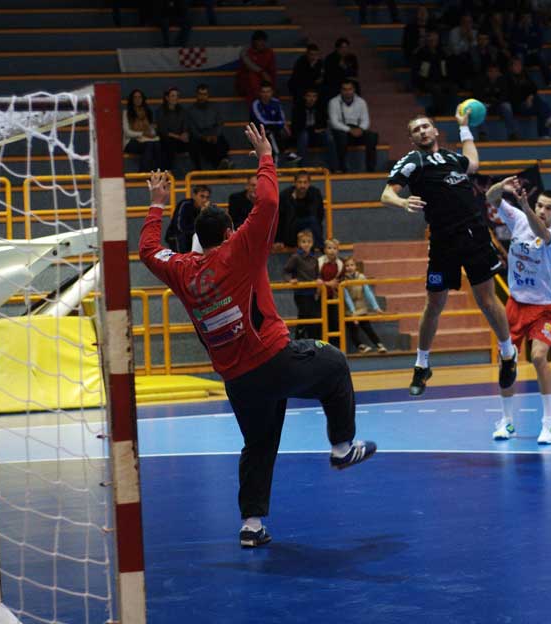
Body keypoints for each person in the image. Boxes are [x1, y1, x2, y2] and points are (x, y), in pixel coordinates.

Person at [139, 123, 377, 548]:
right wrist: (266, 156)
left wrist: (157, 204)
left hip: (237, 380)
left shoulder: (181, 271)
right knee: (335, 363)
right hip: (273, 359)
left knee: (259, 443)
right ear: (229, 232)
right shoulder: (240, 251)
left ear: (196, 240)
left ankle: (251, 524)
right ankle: (342, 446)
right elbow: (267, 201)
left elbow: (148, 250)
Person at [380, 110, 518, 396]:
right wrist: (403, 203)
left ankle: (508, 354)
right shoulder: (413, 161)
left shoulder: (453, 158)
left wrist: (464, 127)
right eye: (416, 129)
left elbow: (473, 162)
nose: (422, 131)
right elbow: (386, 194)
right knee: (434, 304)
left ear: (435, 131)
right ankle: (422, 365)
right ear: (412, 138)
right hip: (443, 241)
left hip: (474, 235)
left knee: (486, 299)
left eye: (426, 126)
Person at [485, 178, 551, 444]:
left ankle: (549, 423)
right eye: (540, 205)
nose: (543, 210)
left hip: (543, 308)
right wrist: (502, 185)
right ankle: (507, 421)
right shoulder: (518, 219)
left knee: (539, 357)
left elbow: (541, 233)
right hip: (515, 305)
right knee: (506, 362)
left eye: (549, 208)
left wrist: (524, 205)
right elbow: (491, 198)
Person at [328, 80, 378, 173]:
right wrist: (349, 130)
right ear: (341, 90)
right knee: (341, 137)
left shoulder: (361, 102)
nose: (347, 92)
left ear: (354, 90)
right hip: (342, 130)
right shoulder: (333, 102)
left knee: (372, 136)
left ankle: (371, 169)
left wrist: (361, 129)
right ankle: (342, 167)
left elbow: (366, 121)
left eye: (350, 89)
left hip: (358, 130)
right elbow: (334, 123)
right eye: (345, 89)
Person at [341, 256, 388, 354]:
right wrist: (353, 312)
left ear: (356, 266)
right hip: (349, 310)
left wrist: (376, 307)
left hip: (361, 307)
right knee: (353, 329)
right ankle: (360, 346)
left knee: (367, 328)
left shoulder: (361, 277)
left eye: (352, 265)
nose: (350, 267)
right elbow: (346, 297)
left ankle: (379, 345)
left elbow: (368, 293)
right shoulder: (343, 280)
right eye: (347, 266)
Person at [284, 230, 322, 340]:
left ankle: (314, 341)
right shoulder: (296, 257)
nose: (306, 244)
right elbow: (286, 271)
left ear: (312, 243)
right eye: (304, 242)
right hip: (301, 293)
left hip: (312, 293)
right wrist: (291, 280)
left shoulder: (314, 258)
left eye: (309, 242)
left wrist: (319, 279)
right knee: (304, 317)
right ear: (299, 243)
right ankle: (298, 340)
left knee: (314, 318)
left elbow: (317, 273)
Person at [506, 56, 551, 139]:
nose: (519, 67)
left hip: (528, 104)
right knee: (540, 104)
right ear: (511, 67)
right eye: (516, 65)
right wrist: (526, 99)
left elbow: (534, 88)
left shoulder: (524, 75)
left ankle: (544, 135)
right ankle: (549, 117)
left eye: (520, 65)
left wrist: (530, 96)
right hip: (517, 107)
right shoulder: (507, 78)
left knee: (540, 106)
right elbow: (512, 96)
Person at [250, 82, 300, 164]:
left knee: (285, 131)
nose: (266, 94)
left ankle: (286, 152)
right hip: (260, 133)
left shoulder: (276, 102)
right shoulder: (256, 104)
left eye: (268, 91)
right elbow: (262, 122)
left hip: (275, 131)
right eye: (263, 92)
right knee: (271, 135)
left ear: (272, 92)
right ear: (260, 93)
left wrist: (280, 124)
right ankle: (286, 153)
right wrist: (279, 124)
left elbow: (282, 119)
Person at [275, 170, 325, 250]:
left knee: (312, 221)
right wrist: (278, 240)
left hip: (311, 228)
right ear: (295, 183)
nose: (302, 185)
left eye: (305, 182)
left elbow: (319, 215)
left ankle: (318, 248)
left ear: (309, 183)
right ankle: (319, 247)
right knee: (311, 221)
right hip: (291, 229)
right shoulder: (285, 195)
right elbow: (280, 218)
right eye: (300, 182)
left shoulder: (315, 193)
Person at [291, 88, 338, 171]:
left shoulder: (320, 107)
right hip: (302, 134)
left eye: (314, 96)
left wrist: (314, 129)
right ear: (305, 97)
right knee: (304, 136)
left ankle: (334, 168)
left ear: (317, 98)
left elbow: (323, 124)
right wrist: (313, 129)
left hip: (317, 135)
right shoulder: (298, 108)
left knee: (329, 138)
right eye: (309, 96)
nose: (311, 99)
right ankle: (302, 169)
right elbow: (297, 126)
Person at [186, 84, 232, 170]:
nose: (202, 97)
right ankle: (203, 170)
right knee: (194, 144)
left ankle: (224, 164)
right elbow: (192, 128)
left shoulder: (214, 108)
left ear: (208, 95)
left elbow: (220, 123)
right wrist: (203, 137)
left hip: (213, 134)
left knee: (222, 142)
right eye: (200, 94)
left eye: (205, 94)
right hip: (200, 137)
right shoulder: (191, 111)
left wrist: (215, 135)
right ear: (197, 95)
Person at [413, 30, 457, 116]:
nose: (433, 42)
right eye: (431, 40)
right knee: (436, 89)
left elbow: (447, 69)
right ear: (427, 41)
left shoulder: (442, 52)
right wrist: (417, 86)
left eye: (435, 40)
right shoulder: (421, 53)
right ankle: (439, 113)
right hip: (426, 81)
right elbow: (417, 72)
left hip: (441, 80)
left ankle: (451, 112)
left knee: (453, 87)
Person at [472, 63, 519, 141]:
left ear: (498, 73)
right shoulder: (481, 81)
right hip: (486, 105)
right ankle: (482, 134)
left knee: (506, 106)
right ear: (487, 73)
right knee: (479, 107)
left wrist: (495, 102)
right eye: (491, 71)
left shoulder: (503, 81)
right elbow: (477, 95)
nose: (493, 73)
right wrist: (488, 101)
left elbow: (505, 95)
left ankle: (512, 133)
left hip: (498, 106)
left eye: (495, 71)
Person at [122, 89, 162, 172]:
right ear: (132, 99)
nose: (137, 99)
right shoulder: (126, 113)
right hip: (131, 141)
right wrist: (142, 133)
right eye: (135, 97)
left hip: (146, 139)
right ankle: (144, 173)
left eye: (139, 97)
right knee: (149, 145)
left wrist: (152, 132)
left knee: (157, 145)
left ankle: (157, 173)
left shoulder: (147, 112)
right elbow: (127, 132)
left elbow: (151, 130)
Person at [164, 185, 212, 252]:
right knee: (182, 237)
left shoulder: (208, 209)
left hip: (194, 237)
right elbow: (180, 227)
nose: (205, 200)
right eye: (202, 196)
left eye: (207, 197)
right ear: (194, 196)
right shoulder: (185, 205)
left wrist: (205, 213)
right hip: (177, 237)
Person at [235, 30, 277, 104]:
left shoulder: (269, 52)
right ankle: (258, 104)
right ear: (253, 42)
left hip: (263, 84)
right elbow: (249, 67)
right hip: (247, 84)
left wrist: (272, 86)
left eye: (263, 41)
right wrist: (262, 72)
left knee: (269, 85)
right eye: (259, 41)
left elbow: (272, 71)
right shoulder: (246, 52)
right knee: (252, 76)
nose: (261, 43)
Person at [156, 87, 189, 175]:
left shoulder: (182, 110)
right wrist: (178, 137)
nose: (176, 98)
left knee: (194, 141)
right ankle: (168, 171)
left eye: (177, 96)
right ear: (167, 97)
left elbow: (185, 125)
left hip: (180, 138)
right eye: (173, 95)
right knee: (169, 143)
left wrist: (185, 133)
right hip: (167, 138)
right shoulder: (160, 111)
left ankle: (197, 171)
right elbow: (162, 130)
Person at [318, 239, 344, 347]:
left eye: (335, 248)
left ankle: (335, 347)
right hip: (319, 297)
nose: (332, 251)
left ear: (338, 250)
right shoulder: (319, 262)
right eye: (329, 248)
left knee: (334, 322)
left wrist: (337, 284)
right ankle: (321, 347)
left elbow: (342, 279)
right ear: (325, 250)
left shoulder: (340, 264)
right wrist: (327, 283)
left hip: (334, 297)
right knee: (321, 323)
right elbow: (316, 278)